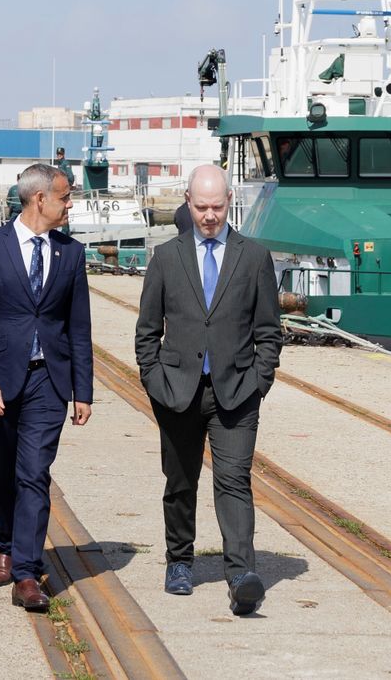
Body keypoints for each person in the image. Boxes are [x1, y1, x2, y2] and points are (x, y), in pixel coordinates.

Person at [135, 164, 280, 617]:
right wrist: (155, 380)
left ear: (229, 200)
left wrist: (259, 380)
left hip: (236, 392)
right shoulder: (166, 257)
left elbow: (269, 332)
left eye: (217, 206)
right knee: (180, 482)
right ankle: (179, 561)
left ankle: (241, 575)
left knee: (234, 480)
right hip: (177, 391)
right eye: (201, 207)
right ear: (187, 201)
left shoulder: (253, 257)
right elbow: (146, 333)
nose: (210, 216)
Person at [0, 163, 92, 612]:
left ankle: (26, 572)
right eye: (65, 196)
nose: (69, 203)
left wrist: (83, 390)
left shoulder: (71, 254)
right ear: (40, 200)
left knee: (33, 473)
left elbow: (78, 325)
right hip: (0, 379)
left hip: (48, 381)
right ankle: (4, 544)